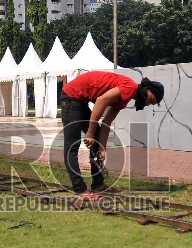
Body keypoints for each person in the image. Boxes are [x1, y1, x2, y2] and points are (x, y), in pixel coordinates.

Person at [59, 70, 164, 200]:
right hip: (71, 96)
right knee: (72, 146)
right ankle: (80, 190)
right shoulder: (129, 88)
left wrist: (102, 147)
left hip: (80, 100)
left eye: (152, 103)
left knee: (96, 143)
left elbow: (107, 122)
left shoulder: (126, 97)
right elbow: (101, 101)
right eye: (152, 99)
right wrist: (90, 132)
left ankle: (98, 184)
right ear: (147, 89)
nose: (149, 103)